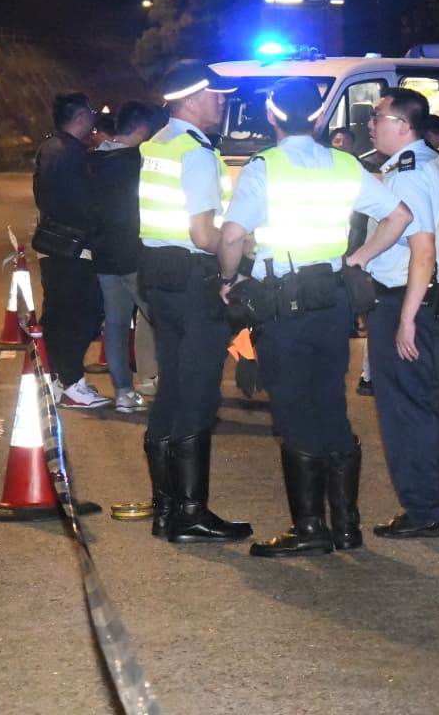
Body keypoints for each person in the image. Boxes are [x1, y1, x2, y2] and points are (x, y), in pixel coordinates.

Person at [217, 78, 413, 558]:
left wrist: (228, 279)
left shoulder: (265, 167)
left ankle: (309, 528)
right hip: (332, 301)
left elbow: (232, 236)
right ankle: (346, 526)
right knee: (329, 403)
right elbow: (400, 216)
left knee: (292, 409)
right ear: (320, 117)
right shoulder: (344, 164)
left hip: (283, 305)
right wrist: (357, 259)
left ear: (273, 116)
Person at [138, 61, 250, 543]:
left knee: (172, 389)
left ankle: (165, 508)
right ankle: (191, 514)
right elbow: (204, 234)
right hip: (193, 281)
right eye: (215, 94)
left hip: (159, 276)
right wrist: (242, 247)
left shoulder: (158, 144)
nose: (223, 101)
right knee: (199, 394)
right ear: (189, 99)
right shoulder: (198, 153)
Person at [364, 88, 439, 539]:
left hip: (406, 300)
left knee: (405, 412)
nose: (371, 125)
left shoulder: (406, 174)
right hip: (430, 300)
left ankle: (425, 509)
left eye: (378, 117)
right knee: (425, 407)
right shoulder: (429, 162)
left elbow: (421, 251)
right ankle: (436, 505)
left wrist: (405, 318)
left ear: (403, 126)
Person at [33, 92, 108, 409]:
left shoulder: (50, 148)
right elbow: (83, 205)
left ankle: (54, 377)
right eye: (90, 112)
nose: (94, 117)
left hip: (54, 243)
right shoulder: (71, 154)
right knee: (81, 314)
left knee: (58, 314)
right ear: (79, 117)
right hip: (72, 247)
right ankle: (72, 382)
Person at [89, 100, 161, 414]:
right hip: (134, 256)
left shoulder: (93, 160)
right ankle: (170, 385)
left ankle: (123, 393)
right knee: (162, 319)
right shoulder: (137, 162)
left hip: (104, 255)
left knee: (116, 325)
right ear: (143, 128)